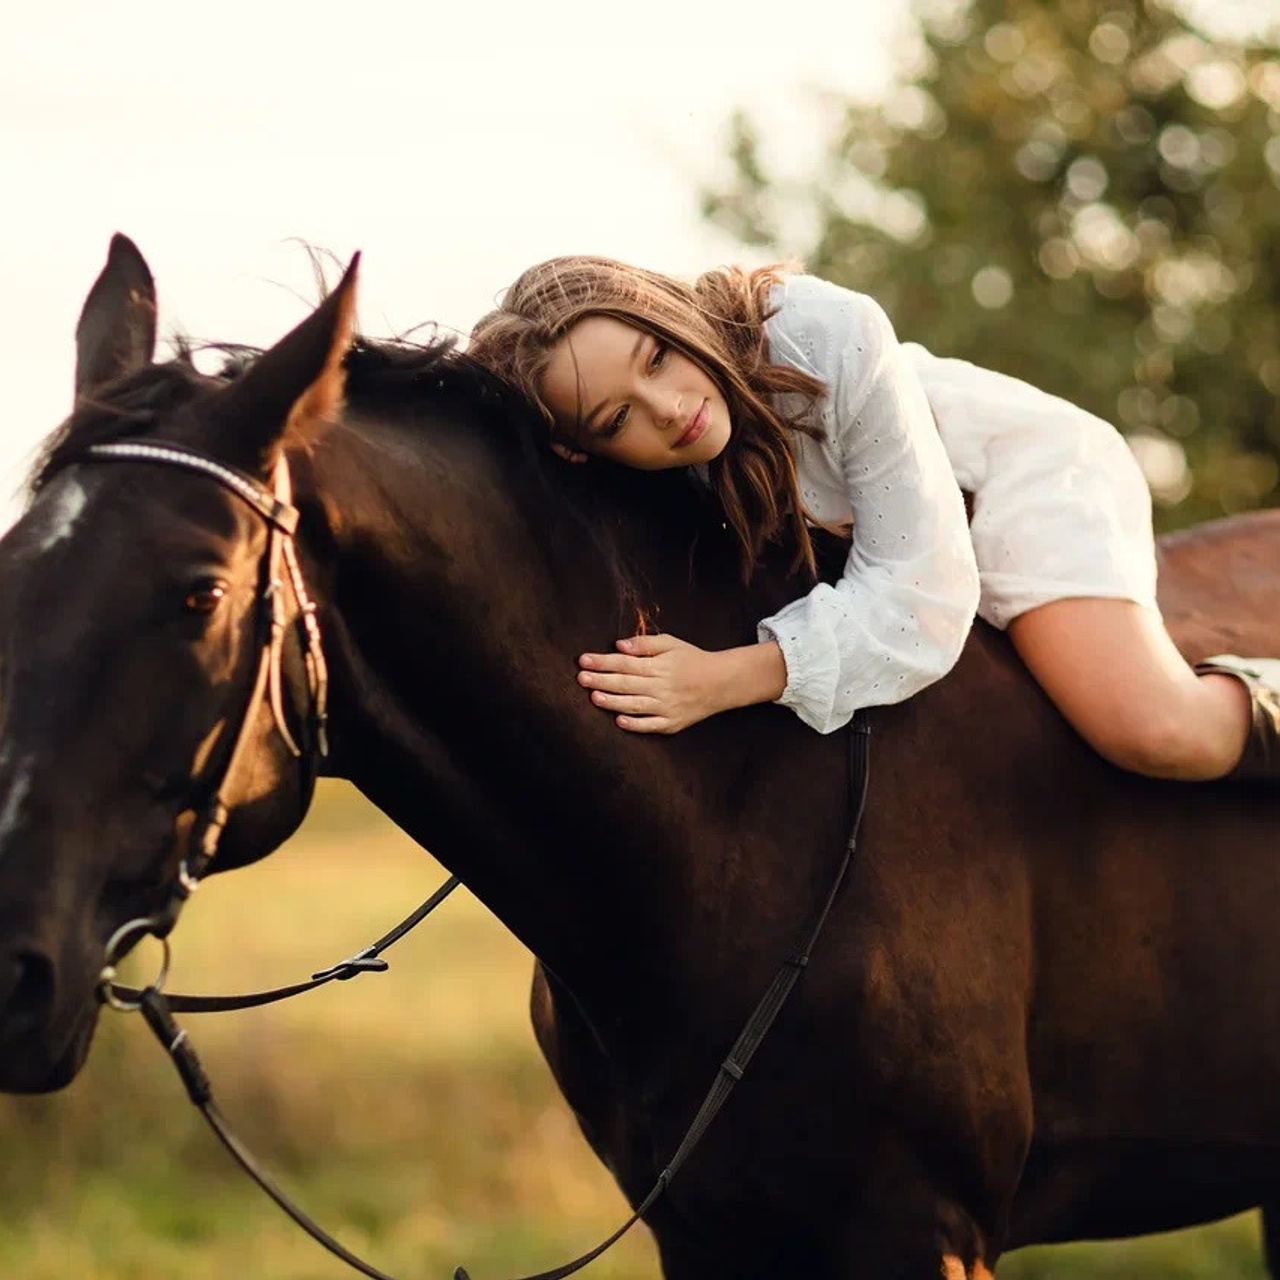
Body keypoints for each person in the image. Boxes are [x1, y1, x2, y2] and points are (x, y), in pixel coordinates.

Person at [467, 256, 1280, 781]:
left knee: (1158, 731)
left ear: (666, 313)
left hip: (1011, 479)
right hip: (874, 537)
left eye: (658, 358)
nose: (670, 409)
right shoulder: (640, 473)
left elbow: (921, 593)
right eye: (616, 421)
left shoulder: (823, 332)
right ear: (580, 452)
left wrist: (724, 677)